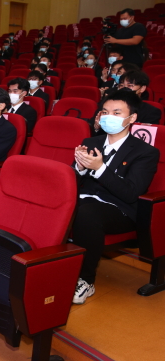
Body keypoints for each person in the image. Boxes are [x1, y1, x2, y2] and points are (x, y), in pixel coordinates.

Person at [72, 90, 159, 304]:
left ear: (132, 118)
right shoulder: (91, 141)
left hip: (120, 208)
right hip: (85, 198)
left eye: (117, 112)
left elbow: (131, 193)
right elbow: (71, 181)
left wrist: (100, 168)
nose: (108, 117)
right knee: (53, 203)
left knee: (85, 213)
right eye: (105, 111)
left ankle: (86, 280)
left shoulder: (145, 152)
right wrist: (79, 168)